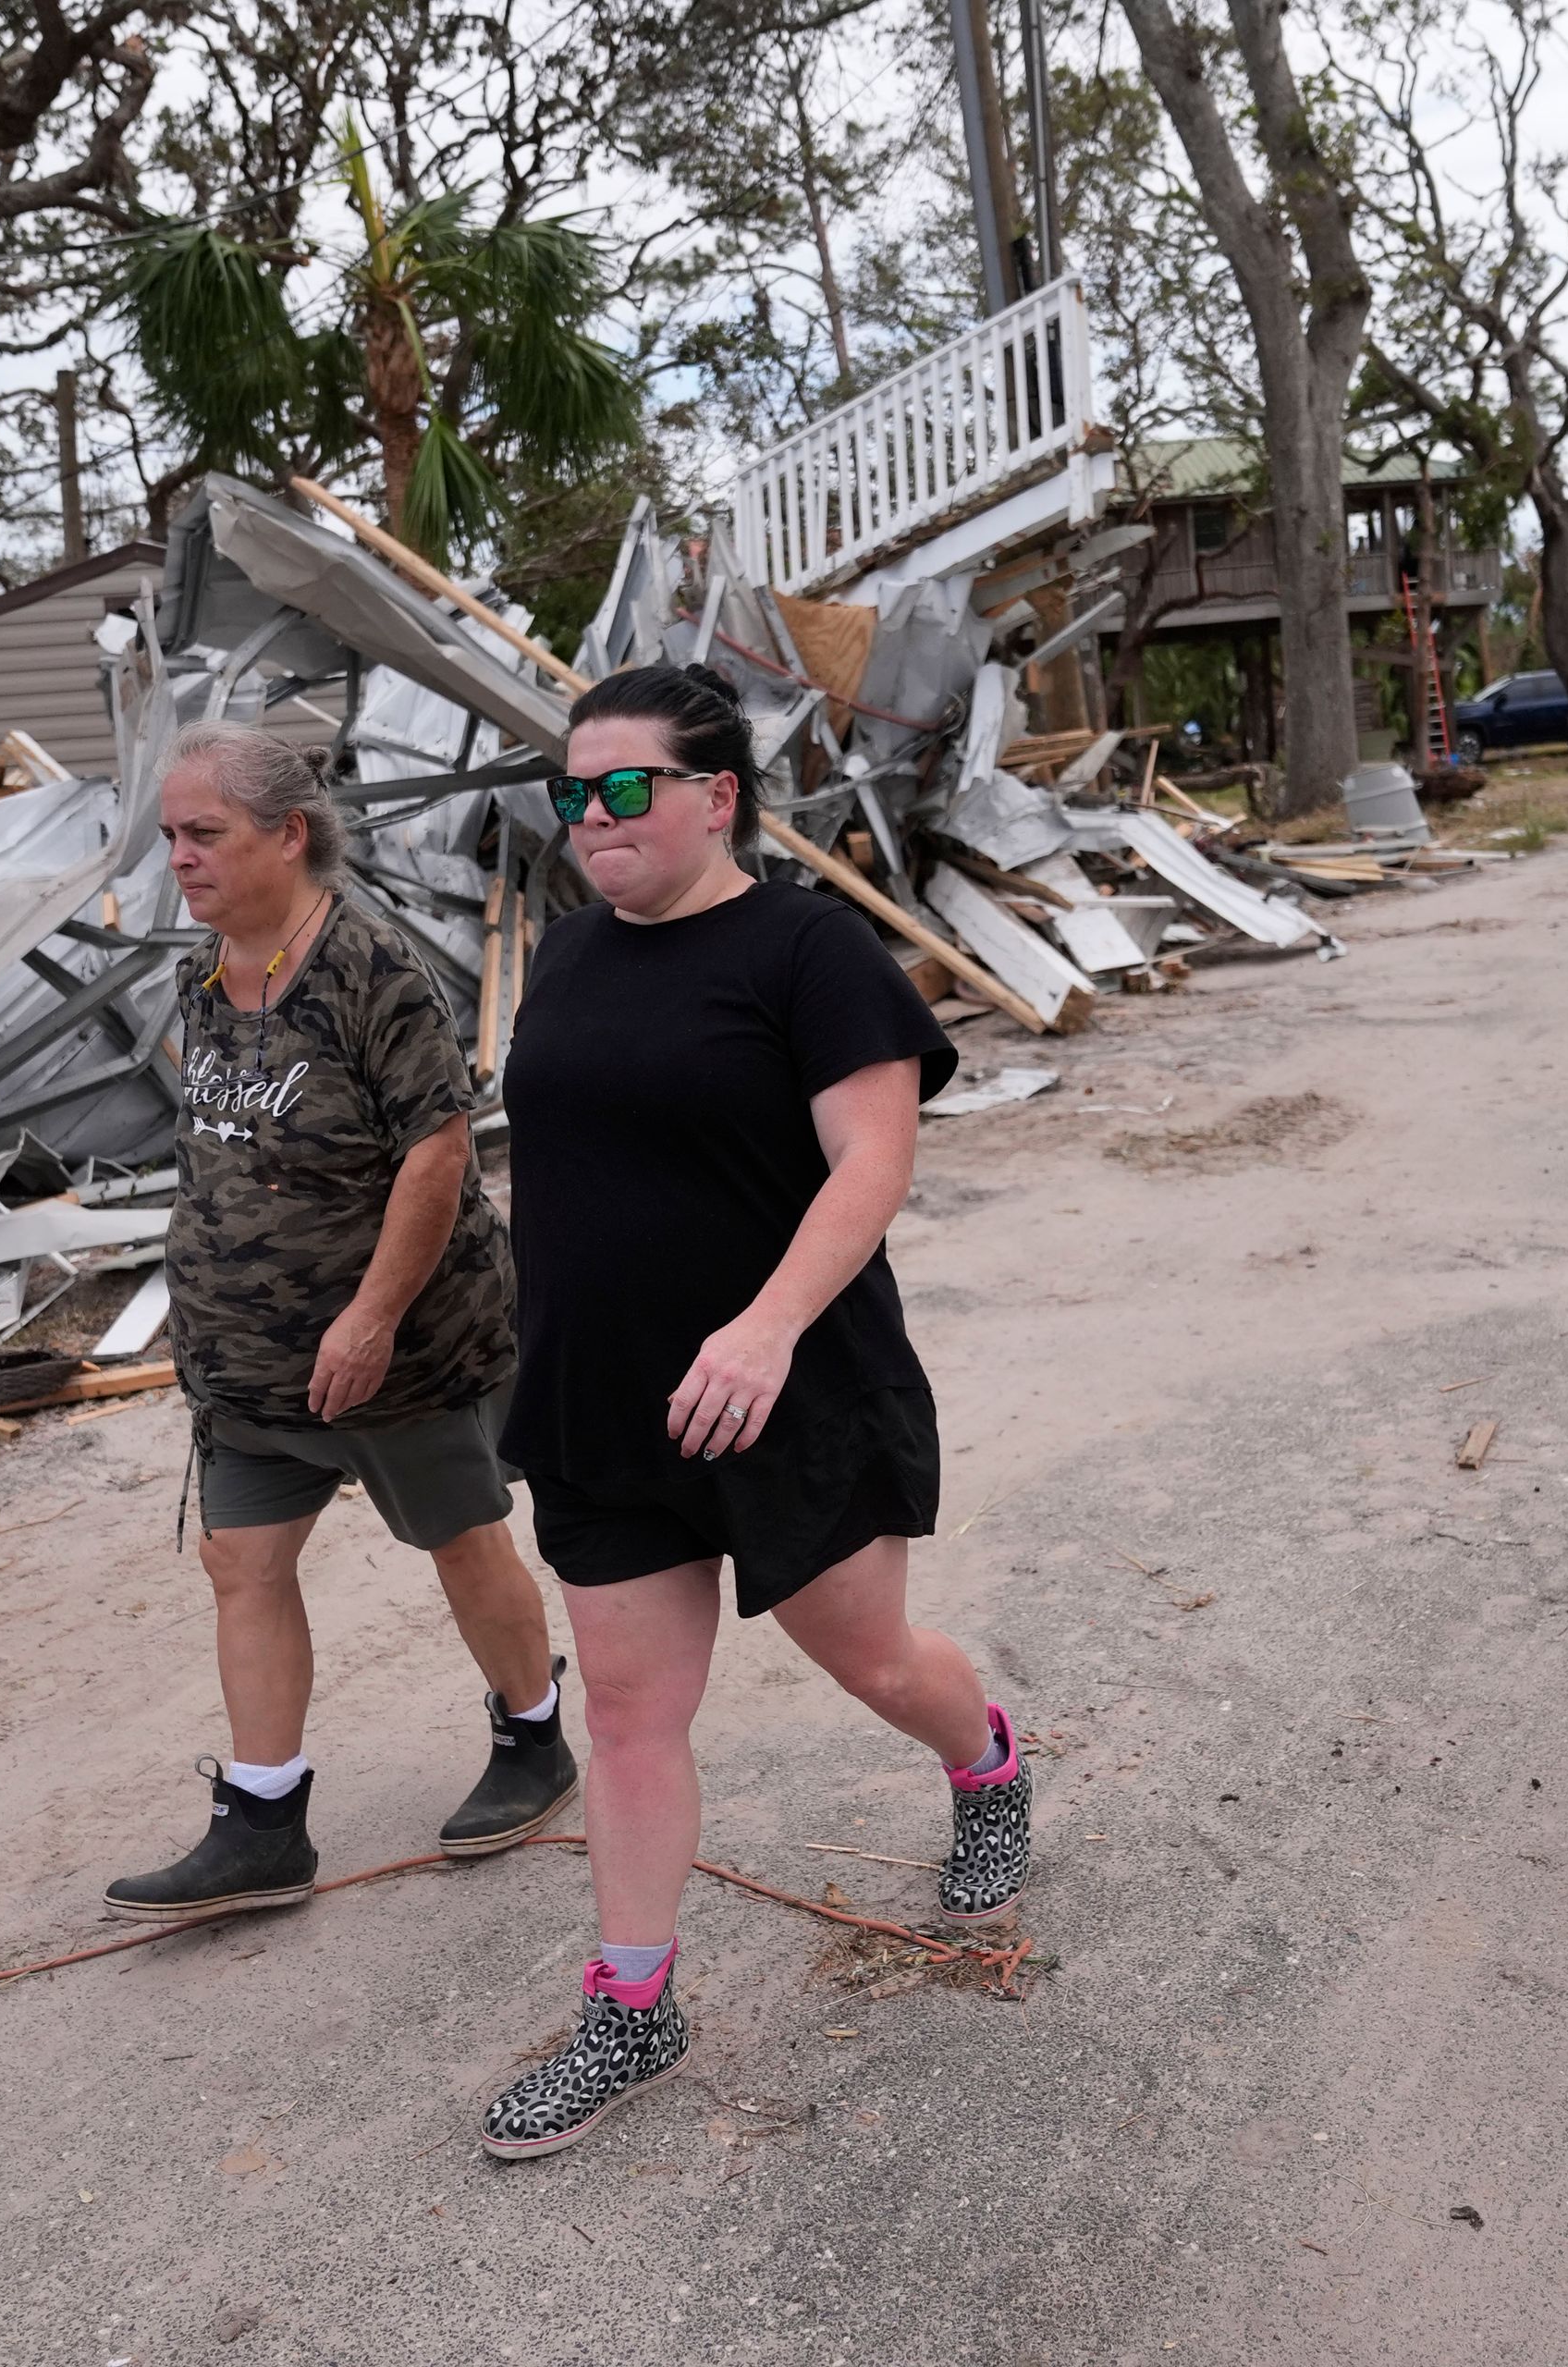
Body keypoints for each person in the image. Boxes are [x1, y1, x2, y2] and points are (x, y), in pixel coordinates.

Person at [475, 664, 1031, 2159]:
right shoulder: (572, 954)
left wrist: (768, 1329)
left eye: (624, 787)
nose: (591, 815)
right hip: (605, 1404)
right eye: (571, 792)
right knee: (632, 1712)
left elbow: (871, 1163)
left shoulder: (810, 947)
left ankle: (983, 1760)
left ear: (717, 797)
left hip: (787, 1392)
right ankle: (633, 2007)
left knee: (873, 1664)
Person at [105, 721, 578, 1921]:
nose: (180, 859)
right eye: (170, 837)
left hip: (397, 1354)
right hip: (250, 1371)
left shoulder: (370, 970)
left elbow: (437, 1156)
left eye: (202, 834)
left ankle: (535, 1736)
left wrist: (369, 1317)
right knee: (241, 1563)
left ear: (288, 834)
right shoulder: (204, 973)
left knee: (462, 1540)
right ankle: (264, 1821)